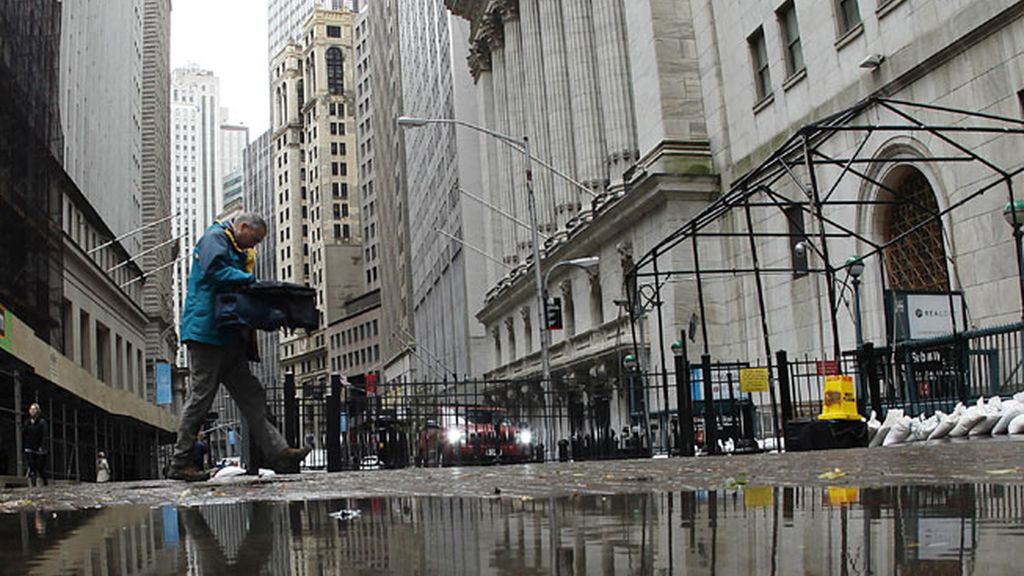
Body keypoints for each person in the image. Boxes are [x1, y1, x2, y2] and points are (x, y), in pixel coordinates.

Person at [169, 214, 309, 481]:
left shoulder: (232, 245)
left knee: (252, 395)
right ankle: (180, 462)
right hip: (207, 334)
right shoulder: (215, 238)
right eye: (253, 240)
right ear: (243, 227)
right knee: (201, 398)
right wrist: (252, 282)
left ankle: (279, 453)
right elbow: (216, 271)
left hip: (227, 337)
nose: (252, 247)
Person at [22, 403, 47, 487]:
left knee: (40, 469)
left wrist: (42, 447)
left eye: (34, 409)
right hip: (29, 448)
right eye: (31, 409)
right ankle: (33, 485)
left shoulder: (42, 422)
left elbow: (44, 435)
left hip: (39, 449)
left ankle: (45, 483)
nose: (32, 411)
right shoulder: (27, 423)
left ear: (38, 411)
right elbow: (24, 434)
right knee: (32, 467)